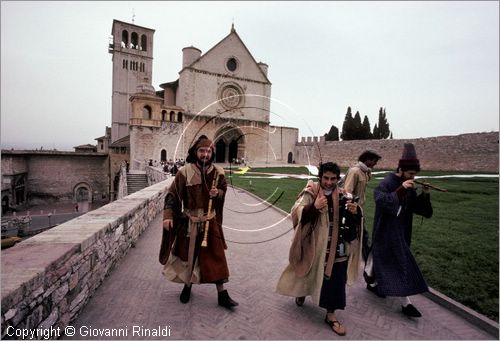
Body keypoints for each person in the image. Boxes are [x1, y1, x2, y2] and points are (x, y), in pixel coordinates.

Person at [276, 162, 363, 336]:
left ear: (338, 179)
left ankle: (331, 314)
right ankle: (302, 291)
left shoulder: (344, 195)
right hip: (314, 244)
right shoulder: (311, 191)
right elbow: (296, 210)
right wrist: (313, 207)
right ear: (320, 177)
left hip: (337, 247)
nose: (329, 182)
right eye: (326, 178)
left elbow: (354, 220)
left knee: (336, 278)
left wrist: (355, 212)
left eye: (333, 179)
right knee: (306, 270)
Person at [159, 135, 238, 309]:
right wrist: (168, 216)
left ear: (212, 153)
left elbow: (224, 191)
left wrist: (218, 193)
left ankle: (222, 294)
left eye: (208, 151)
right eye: (202, 151)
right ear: (196, 152)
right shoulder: (184, 172)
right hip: (190, 224)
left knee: (217, 258)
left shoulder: (219, 173)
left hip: (210, 222)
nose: (205, 154)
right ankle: (187, 287)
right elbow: (172, 196)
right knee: (190, 257)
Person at [364, 143, 433, 318]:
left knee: (383, 259)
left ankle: (370, 279)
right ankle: (406, 303)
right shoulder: (386, 183)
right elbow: (383, 202)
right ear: (401, 170)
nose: (413, 177)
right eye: (410, 174)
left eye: (415, 174)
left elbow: (418, 209)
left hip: (402, 231)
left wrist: (425, 195)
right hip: (386, 231)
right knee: (399, 264)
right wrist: (402, 190)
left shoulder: (409, 184)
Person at [340, 150, 382, 261]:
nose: (375, 164)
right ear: (367, 159)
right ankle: (366, 261)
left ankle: (355, 258)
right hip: (352, 210)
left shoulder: (365, 172)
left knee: (359, 235)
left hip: (358, 210)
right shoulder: (355, 171)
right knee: (361, 235)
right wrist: (351, 211)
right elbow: (347, 192)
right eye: (374, 161)